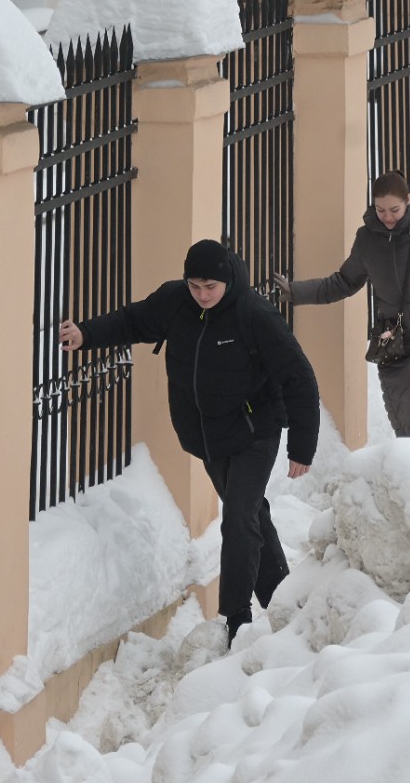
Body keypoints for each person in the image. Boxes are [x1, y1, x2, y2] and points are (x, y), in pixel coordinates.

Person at [60, 239, 319, 644]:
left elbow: (299, 377)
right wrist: (86, 333)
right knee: (249, 515)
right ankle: (281, 597)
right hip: (209, 436)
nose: (202, 295)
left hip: (255, 431)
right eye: (195, 286)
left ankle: (236, 619)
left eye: (210, 287)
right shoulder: (175, 301)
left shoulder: (254, 314)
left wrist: (302, 447)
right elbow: (133, 321)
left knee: (237, 518)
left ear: (227, 280)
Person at [275, 172, 410, 439]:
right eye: (380, 210)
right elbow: (343, 281)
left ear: (408, 201)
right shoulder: (368, 240)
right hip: (394, 345)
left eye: (394, 210)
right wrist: (297, 291)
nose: (387, 217)